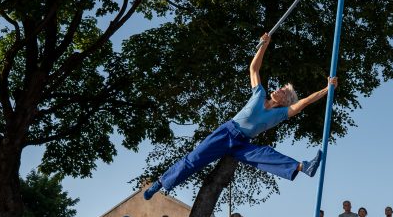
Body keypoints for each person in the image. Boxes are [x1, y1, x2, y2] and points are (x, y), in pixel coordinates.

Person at [144, 33, 336, 199]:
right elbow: (254, 69)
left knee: (266, 154)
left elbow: (304, 103)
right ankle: (162, 182)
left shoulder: (281, 113)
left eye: (284, 90)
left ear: (286, 100)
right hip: (227, 132)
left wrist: (326, 89)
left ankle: (303, 167)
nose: (279, 89)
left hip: (243, 143)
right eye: (281, 87)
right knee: (194, 159)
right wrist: (264, 46)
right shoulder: (259, 93)